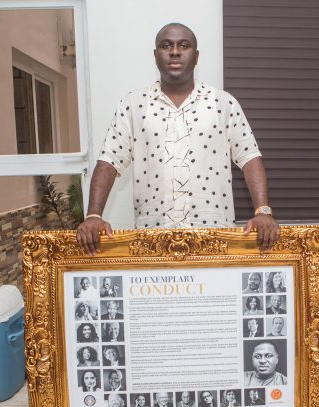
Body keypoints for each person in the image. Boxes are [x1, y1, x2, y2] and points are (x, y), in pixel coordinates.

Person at [76, 23, 280, 255]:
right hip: (152, 242)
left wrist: (263, 211)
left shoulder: (223, 103)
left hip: (214, 240)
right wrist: (93, 215)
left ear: (196, 56)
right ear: (155, 55)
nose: (175, 51)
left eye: (184, 45)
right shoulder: (133, 105)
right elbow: (109, 161)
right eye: (166, 45)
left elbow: (250, 158)